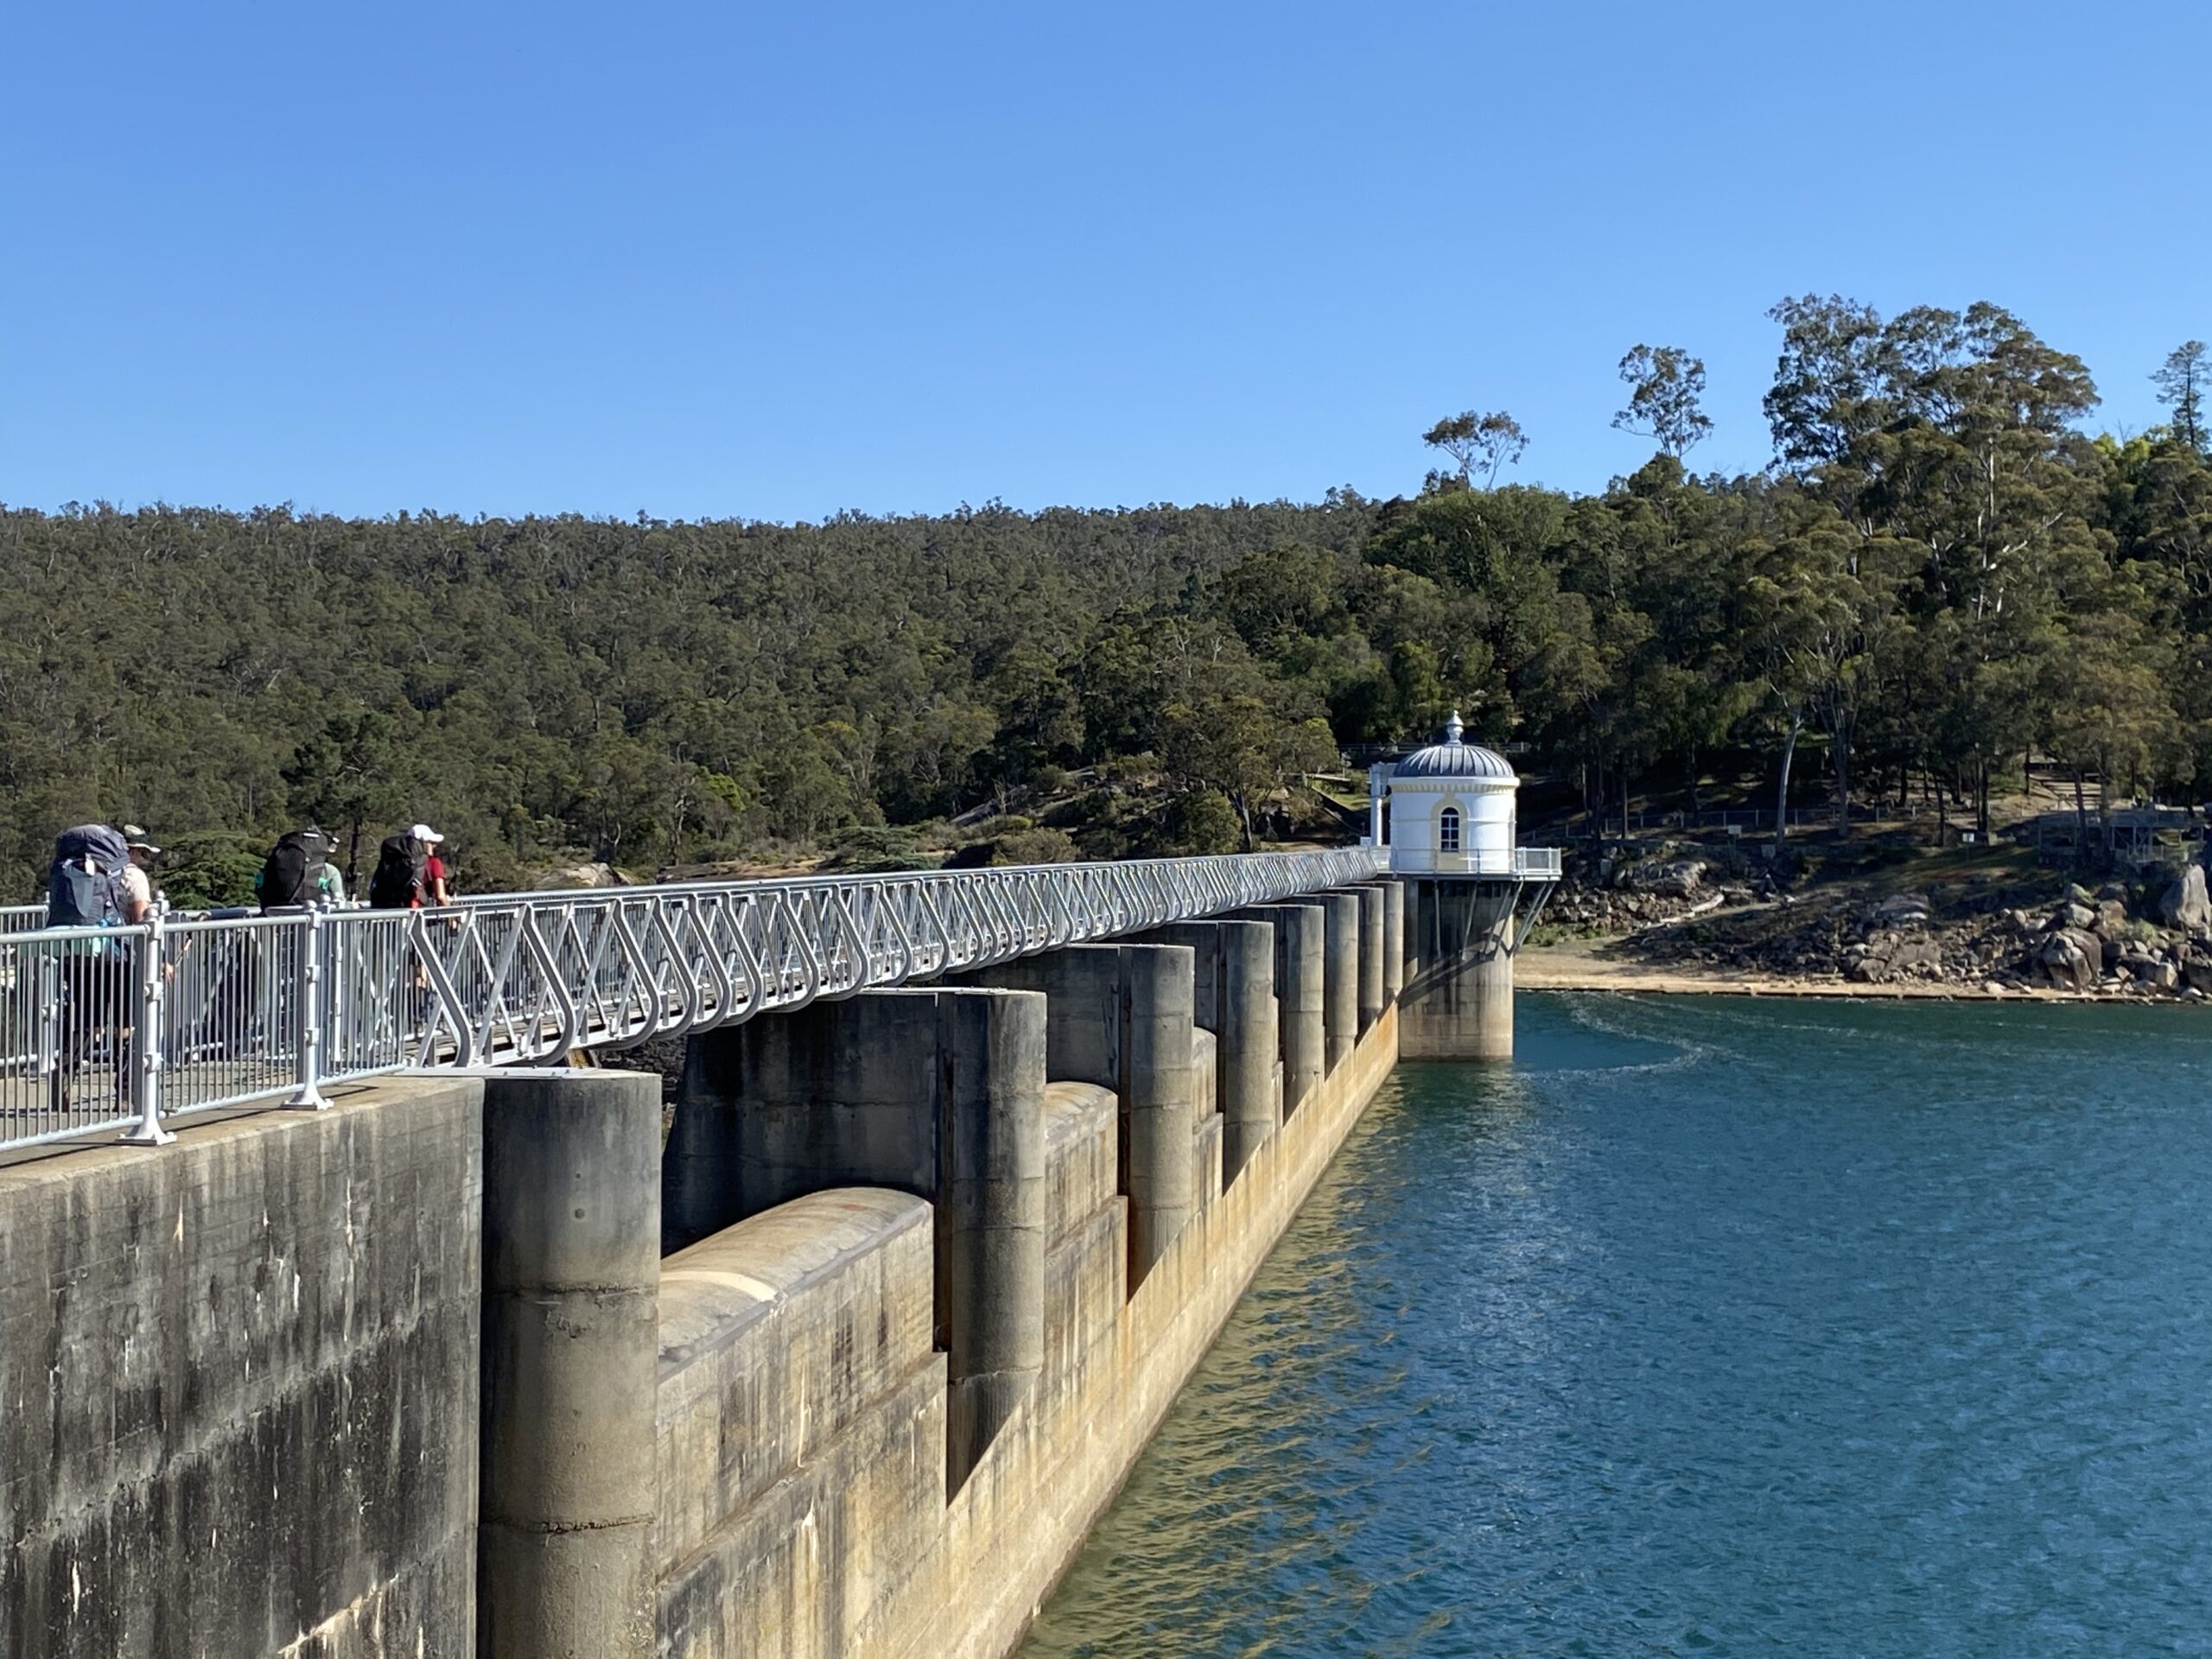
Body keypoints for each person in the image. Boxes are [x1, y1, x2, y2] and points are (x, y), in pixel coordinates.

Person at [410, 823, 452, 908]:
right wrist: (452, 916)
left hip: (395, 913)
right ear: (424, 844)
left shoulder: (401, 862)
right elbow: (440, 896)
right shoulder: (434, 863)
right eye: (432, 843)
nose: (434, 845)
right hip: (420, 913)